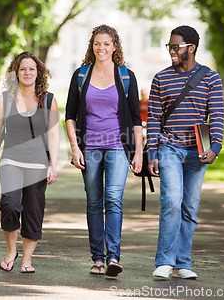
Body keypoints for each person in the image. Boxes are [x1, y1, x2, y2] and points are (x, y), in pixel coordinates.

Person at [146, 25, 224, 280]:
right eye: (169, 46)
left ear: (191, 48)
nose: (171, 51)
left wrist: (215, 147)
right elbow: (155, 118)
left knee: (190, 205)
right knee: (171, 200)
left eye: (175, 46)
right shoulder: (161, 78)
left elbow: (217, 116)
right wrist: (152, 153)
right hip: (169, 147)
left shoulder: (210, 78)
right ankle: (165, 261)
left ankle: (183, 262)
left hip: (197, 151)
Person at [65, 24, 143, 278]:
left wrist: (139, 152)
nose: (102, 48)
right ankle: (97, 258)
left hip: (118, 147)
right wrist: (75, 148)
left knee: (113, 199)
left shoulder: (126, 76)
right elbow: (70, 116)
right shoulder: (81, 75)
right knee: (94, 202)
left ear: (115, 47)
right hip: (90, 148)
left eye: (107, 44)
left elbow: (135, 118)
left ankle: (113, 256)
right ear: (92, 46)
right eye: (97, 43)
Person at [0, 51, 59, 274]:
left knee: (34, 212)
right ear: (16, 72)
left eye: (32, 69)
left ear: (39, 73)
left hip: (37, 165)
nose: (27, 73)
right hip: (11, 161)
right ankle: (10, 251)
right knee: (10, 205)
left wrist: (53, 164)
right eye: (23, 69)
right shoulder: (4, 100)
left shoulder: (48, 99)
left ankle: (27, 259)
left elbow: (54, 135)